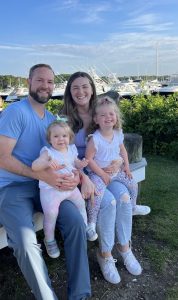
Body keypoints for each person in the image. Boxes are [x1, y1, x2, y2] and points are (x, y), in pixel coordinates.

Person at [0, 64, 91, 300]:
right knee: (24, 241)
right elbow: (2, 157)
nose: (45, 86)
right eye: (40, 80)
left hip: (47, 188)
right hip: (13, 188)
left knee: (76, 222)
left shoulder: (52, 120)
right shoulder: (15, 112)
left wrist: (78, 177)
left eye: (50, 82)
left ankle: (79, 293)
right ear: (28, 82)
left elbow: (65, 157)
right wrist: (41, 175)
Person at [62, 71, 150, 285]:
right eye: (75, 87)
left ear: (92, 89)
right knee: (108, 202)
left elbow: (116, 142)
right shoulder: (65, 118)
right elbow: (64, 154)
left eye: (85, 86)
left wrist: (120, 162)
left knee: (124, 199)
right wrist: (85, 176)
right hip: (81, 172)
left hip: (107, 171)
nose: (81, 91)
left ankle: (125, 248)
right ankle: (105, 255)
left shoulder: (102, 109)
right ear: (69, 92)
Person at [84, 96, 150, 240]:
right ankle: (91, 223)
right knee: (97, 194)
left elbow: (123, 150)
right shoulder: (95, 139)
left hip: (116, 171)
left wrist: (126, 166)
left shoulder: (118, 133)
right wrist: (102, 174)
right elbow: (89, 160)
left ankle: (133, 207)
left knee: (132, 184)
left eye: (111, 114)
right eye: (103, 115)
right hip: (97, 173)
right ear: (96, 119)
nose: (108, 117)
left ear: (116, 116)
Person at [32, 118, 89, 258]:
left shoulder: (71, 149)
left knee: (81, 204)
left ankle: (86, 227)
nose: (60, 139)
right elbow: (35, 166)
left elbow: (75, 163)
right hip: (51, 190)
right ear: (50, 139)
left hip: (70, 187)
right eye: (56, 136)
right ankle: (49, 240)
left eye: (64, 136)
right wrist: (46, 164)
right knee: (51, 213)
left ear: (69, 137)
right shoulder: (48, 153)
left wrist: (80, 164)